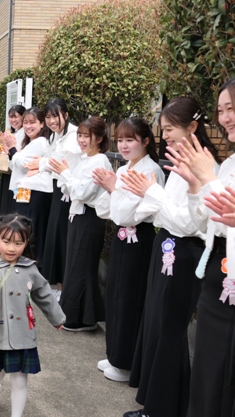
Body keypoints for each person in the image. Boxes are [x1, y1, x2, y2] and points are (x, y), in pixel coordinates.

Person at [120, 96, 220, 417]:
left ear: (193, 127)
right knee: (157, 325)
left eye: (170, 129)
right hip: (168, 245)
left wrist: (152, 193)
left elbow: (189, 223)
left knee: (169, 330)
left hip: (184, 252)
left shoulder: (204, 166)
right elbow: (168, 214)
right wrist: (154, 197)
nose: (165, 136)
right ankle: (158, 406)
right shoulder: (180, 160)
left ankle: (164, 413)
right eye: (162, 129)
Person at [165, 79, 235, 417]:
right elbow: (208, 217)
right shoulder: (229, 162)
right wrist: (198, 186)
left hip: (227, 270)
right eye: (221, 110)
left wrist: (207, 179)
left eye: (231, 108)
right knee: (208, 366)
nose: (225, 118)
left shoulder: (216, 166)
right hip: (216, 268)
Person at [0, 213, 65, 417]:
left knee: (20, 379)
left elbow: (44, 294)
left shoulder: (30, 268)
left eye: (18, 243)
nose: (11, 248)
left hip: (23, 333)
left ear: (26, 243)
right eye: (6, 241)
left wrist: (57, 318)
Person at [92, 118, 165, 383]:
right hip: (123, 239)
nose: (123, 145)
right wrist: (112, 190)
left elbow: (125, 214)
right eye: (120, 140)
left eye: (130, 140)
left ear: (145, 141)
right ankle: (115, 354)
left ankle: (126, 362)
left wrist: (114, 189)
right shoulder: (124, 168)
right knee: (115, 295)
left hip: (140, 239)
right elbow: (106, 210)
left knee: (130, 300)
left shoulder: (151, 170)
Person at [49, 116, 112, 331]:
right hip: (78, 215)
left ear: (100, 138)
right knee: (76, 266)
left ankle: (79, 318)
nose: (82, 140)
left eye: (87, 136)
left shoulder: (100, 161)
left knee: (81, 267)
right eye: (80, 135)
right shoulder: (86, 159)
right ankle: (84, 316)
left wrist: (66, 174)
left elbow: (83, 192)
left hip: (89, 217)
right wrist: (66, 175)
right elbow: (69, 188)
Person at [29, 99, 79, 299]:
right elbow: (50, 161)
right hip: (59, 189)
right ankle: (59, 287)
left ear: (66, 115)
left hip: (69, 192)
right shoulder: (56, 135)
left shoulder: (73, 136)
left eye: (55, 116)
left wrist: (41, 164)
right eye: (48, 117)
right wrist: (43, 164)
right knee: (56, 238)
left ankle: (65, 290)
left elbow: (57, 163)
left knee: (63, 239)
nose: (51, 121)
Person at [8, 107, 53, 266]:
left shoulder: (40, 142)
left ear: (42, 124)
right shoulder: (31, 142)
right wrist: (14, 153)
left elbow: (21, 164)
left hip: (34, 192)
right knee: (25, 229)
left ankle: (30, 266)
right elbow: (16, 164)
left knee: (29, 231)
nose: (28, 126)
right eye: (25, 122)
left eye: (32, 122)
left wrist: (13, 149)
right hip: (26, 191)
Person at [0, 105, 26, 231]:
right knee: (8, 206)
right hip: (10, 174)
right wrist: (1, 143)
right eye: (11, 117)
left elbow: (17, 157)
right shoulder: (13, 133)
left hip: (21, 179)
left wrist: (6, 145)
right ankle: (4, 233)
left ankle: (13, 233)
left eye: (16, 117)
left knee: (17, 209)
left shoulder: (28, 137)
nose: (13, 120)